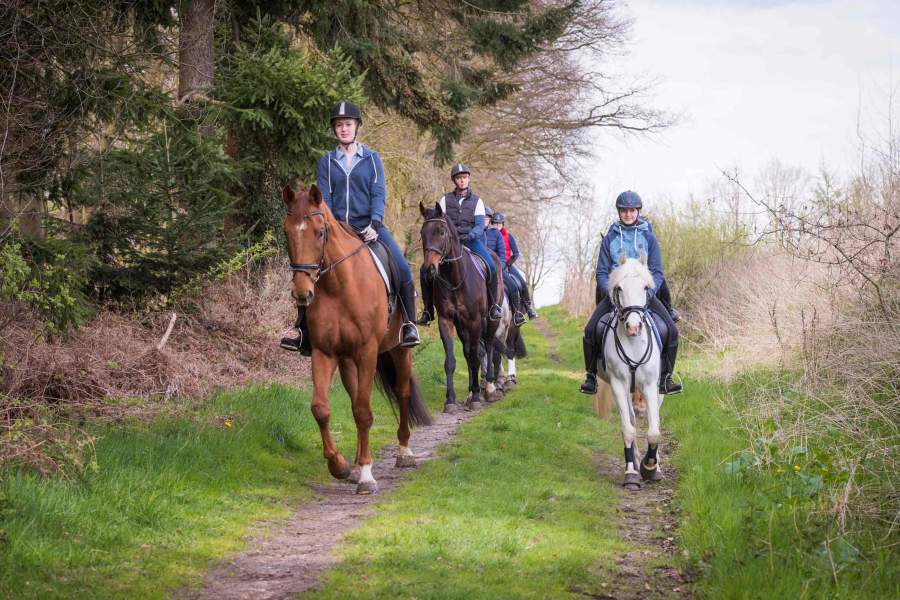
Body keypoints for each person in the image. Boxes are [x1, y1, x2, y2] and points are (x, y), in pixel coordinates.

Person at [280, 100, 420, 354]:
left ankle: (409, 324)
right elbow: (325, 200)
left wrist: (375, 223)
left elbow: (379, 194)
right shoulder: (327, 162)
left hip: (369, 227)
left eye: (348, 124)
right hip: (337, 230)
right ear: (335, 130)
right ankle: (302, 329)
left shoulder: (372, 159)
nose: (343, 129)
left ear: (356, 127)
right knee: (307, 266)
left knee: (401, 267)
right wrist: (334, 227)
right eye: (339, 125)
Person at [579, 190, 682, 395]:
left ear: (638, 211)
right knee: (590, 330)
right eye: (624, 210)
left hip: (643, 296)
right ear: (619, 212)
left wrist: (649, 294)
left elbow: (657, 272)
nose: (628, 214)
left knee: (672, 331)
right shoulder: (609, 239)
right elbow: (601, 271)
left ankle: (666, 378)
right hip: (617, 296)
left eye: (632, 210)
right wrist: (610, 291)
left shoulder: (649, 237)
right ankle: (591, 377)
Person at [416, 163, 502, 325]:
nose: (462, 181)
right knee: (424, 269)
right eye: (458, 178)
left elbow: (479, 226)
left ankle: (493, 306)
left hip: (471, 240)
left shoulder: (477, 201)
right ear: (454, 181)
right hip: (450, 244)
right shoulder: (445, 200)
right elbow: (439, 223)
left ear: (468, 179)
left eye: (464, 178)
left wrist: (471, 235)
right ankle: (428, 310)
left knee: (490, 265)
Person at [485, 211, 538, 324]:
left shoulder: (509, 236)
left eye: (499, 223)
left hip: (508, 264)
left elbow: (516, 253)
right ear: (492, 223)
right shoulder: (489, 234)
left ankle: (528, 309)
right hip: (496, 265)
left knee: (522, 284)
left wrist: (508, 264)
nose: (497, 225)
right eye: (495, 223)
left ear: (503, 224)